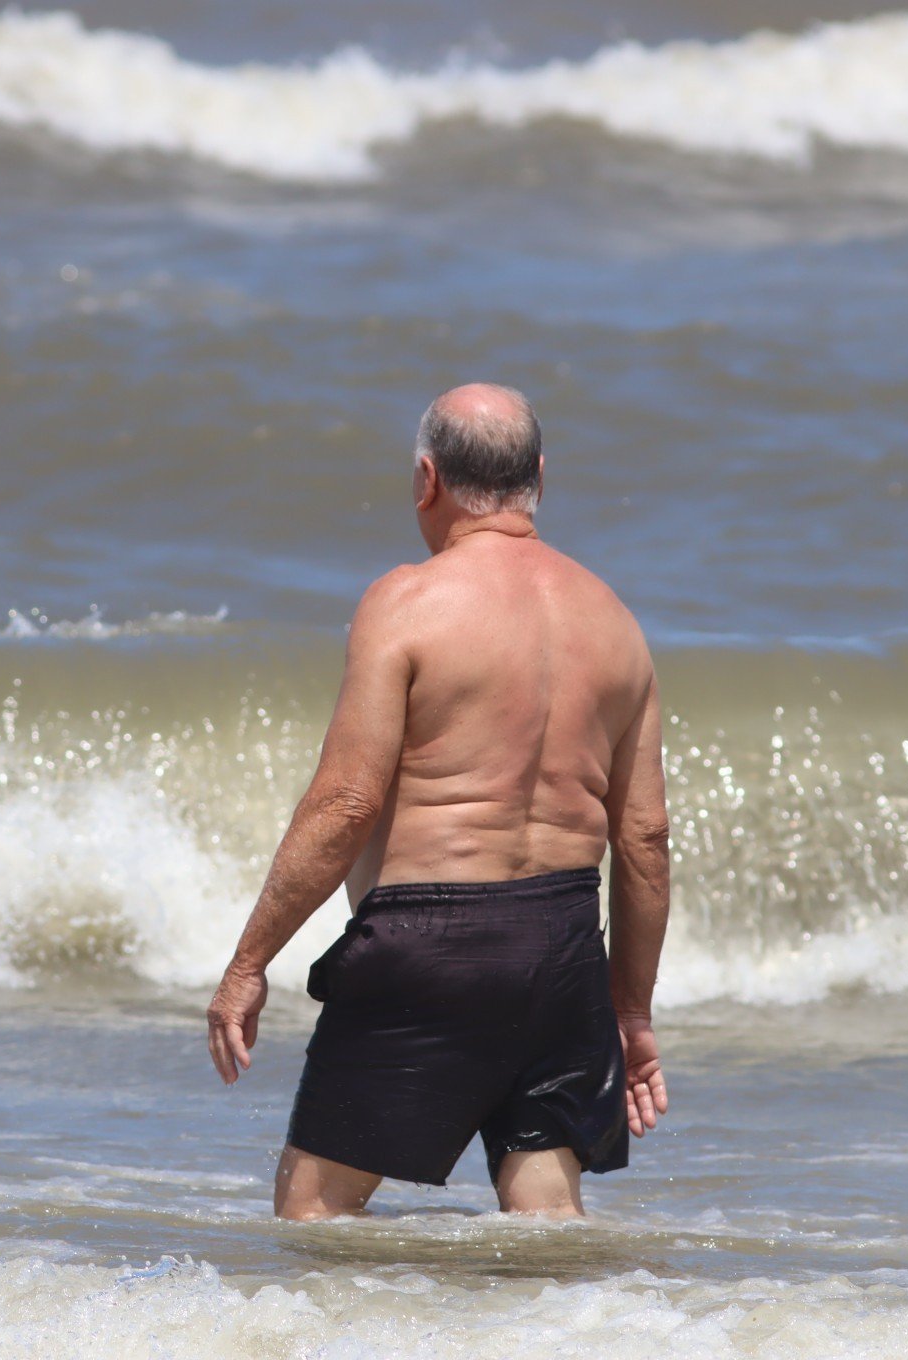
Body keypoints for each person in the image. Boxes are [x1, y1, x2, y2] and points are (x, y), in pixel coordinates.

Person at [205, 382, 670, 1220]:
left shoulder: (408, 603)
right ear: (538, 475)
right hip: (564, 947)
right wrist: (629, 1010)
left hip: (428, 943)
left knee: (315, 1218)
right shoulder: (617, 622)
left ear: (427, 479)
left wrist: (248, 964)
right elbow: (645, 839)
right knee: (545, 1228)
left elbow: (348, 803)